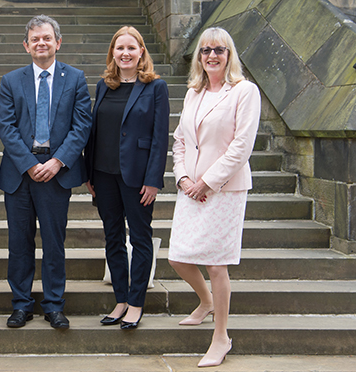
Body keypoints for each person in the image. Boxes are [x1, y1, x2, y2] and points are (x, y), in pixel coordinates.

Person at [168, 27, 260, 367]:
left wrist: (207, 182)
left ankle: (221, 337)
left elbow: (242, 145)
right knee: (178, 256)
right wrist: (183, 178)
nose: (211, 55)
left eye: (218, 50)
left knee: (215, 264)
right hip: (190, 187)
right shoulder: (195, 91)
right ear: (199, 57)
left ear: (229, 54)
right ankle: (206, 302)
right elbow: (179, 139)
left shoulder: (245, 91)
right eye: (205, 50)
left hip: (224, 189)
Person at [0, 15, 92, 329]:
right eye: (35, 39)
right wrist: (30, 164)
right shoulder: (11, 81)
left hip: (56, 172)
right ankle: (21, 305)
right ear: (26, 45)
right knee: (19, 242)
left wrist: (58, 161)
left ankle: (53, 306)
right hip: (20, 173)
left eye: (47, 38)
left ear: (57, 42)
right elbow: (7, 129)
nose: (41, 43)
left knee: (54, 242)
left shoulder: (75, 78)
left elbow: (81, 126)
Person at [84, 26, 169, 330]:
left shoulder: (155, 87)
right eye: (119, 48)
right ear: (113, 53)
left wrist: (154, 179)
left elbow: (160, 138)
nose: (125, 53)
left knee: (141, 239)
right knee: (113, 237)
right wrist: (88, 172)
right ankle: (120, 298)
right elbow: (95, 131)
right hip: (103, 175)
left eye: (131, 48)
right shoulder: (104, 85)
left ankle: (136, 303)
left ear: (141, 51)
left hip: (137, 177)